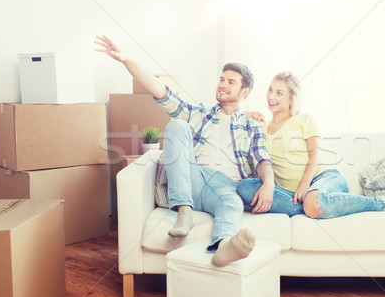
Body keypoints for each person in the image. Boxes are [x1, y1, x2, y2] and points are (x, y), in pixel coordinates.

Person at [95, 35, 275, 266]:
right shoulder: (198, 113)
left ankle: (222, 247)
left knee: (233, 204)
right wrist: (126, 59)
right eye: (222, 79)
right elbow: (161, 91)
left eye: (231, 82)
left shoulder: (252, 125)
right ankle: (184, 211)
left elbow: (263, 160)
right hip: (192, 178)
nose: (222, 84)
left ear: (244, 93)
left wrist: (268, 184)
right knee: (177, 124)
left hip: (225, 186)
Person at [238, 71, 385, 218]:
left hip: (322, 180)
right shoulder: (261, 126)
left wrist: (304, 185)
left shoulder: (304, 119)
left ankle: (381, 203)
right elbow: (229, 118)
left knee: (312, 200)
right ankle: (311, 207)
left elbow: (315, 156)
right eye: (270, 90)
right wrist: (246, 113)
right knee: (244, 187)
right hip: (289, 194)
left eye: (279, 93)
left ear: (292, 98)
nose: (271, 96)